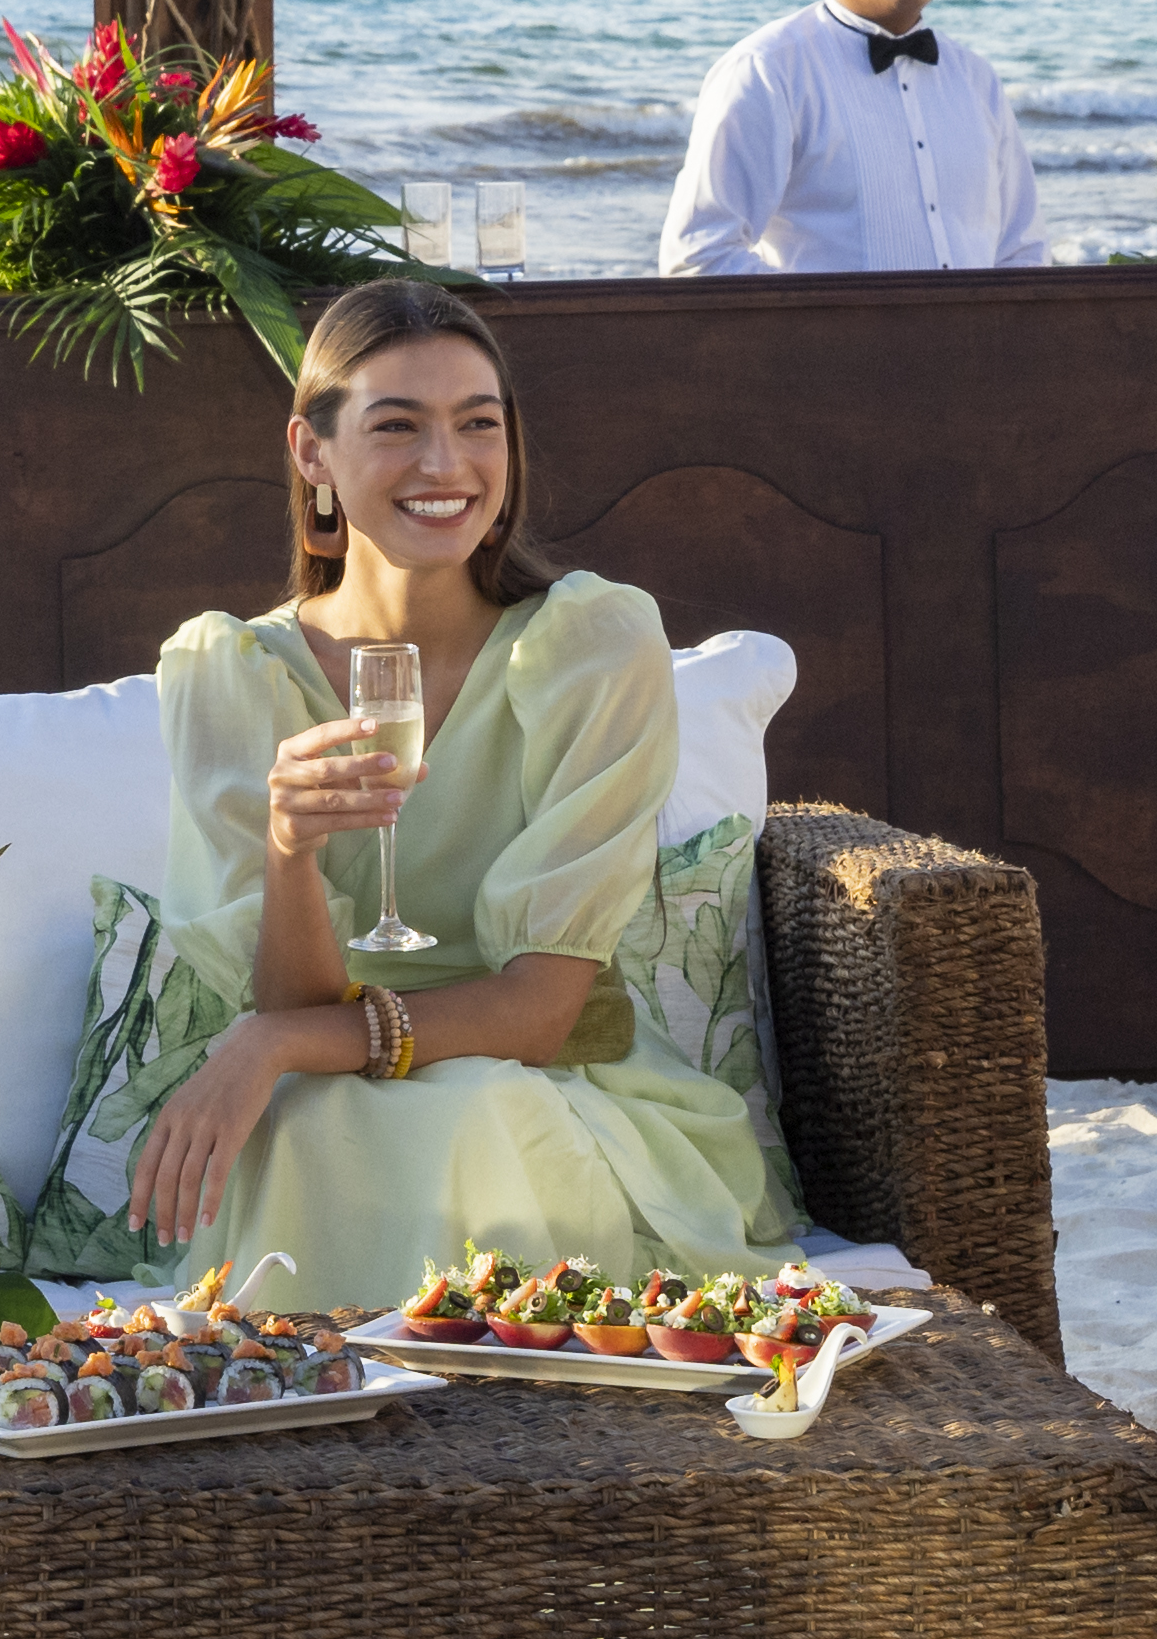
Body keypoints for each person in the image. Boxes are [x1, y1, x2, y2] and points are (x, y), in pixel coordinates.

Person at [98, 271, 793, 1306]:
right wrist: (288, 851)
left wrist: (272, 1042)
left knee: (468, 1112)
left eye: (478, 423)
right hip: (334, 1092)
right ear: (311, 452)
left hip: (549, 1092)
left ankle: (458, 1398)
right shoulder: (231, 676)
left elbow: (540, 1013)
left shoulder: (590, 646)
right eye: (397, 425)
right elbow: (293, 1001)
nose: (445, 463)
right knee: (313, 1121)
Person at [655, 0, 1050, 274]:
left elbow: (1023, 253)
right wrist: (834, 314)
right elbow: (699, 256)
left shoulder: (976, 80)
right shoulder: (767, 71)